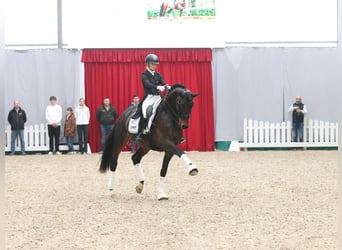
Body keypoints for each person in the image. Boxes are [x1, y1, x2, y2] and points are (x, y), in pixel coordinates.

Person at [133, 53, 169, 141]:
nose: (154, 66)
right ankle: (141, 132)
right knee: (146, 112)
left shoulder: (158, 74)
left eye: (155, 64)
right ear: (148, 64)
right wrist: (157, 87)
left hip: (157, 97)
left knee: (169, 109)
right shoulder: (144, 75)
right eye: (152, 64)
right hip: (149, 97)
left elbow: (163, 82)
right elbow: (147, 84)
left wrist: (167, 86)